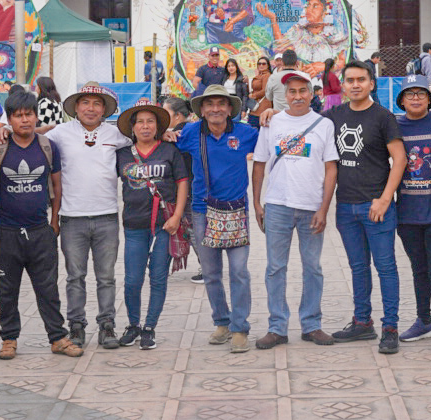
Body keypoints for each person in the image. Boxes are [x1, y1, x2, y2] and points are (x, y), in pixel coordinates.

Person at [30, 82, 129, 351]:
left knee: (106, 276)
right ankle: (76, 325)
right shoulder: (61, 133)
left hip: (107, 216)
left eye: (97, 104)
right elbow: (34, 137)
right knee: (75, 276)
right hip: (72, 217)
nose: (91, 108)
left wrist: (166, 134)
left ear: (105, 109)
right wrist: (3, 132)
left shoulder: (115, 133)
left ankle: (107, 325)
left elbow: (145, 137)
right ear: (75, 107)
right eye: (85, 103)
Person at [0, 89, 78, 358]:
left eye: (29, 115)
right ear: (10, 119)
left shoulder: (48, 147)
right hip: (7, 232)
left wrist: (54, 221)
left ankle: (58, 337)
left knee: (48, 288)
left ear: (36, 117)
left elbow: (57, 185)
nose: (24, 120)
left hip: (41, 231)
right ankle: (9, 339)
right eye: (18, 116)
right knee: (5, 288)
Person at [251, 69, 339, 349]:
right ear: (285, 95)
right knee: (275, 268)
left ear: (312, 94)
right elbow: (260, 163)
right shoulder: (271, 123)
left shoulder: (324, 124)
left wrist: (324, 208)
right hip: (277, 205)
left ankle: (312, 324)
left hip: (311, 206)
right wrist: (256, 202)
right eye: (292, 91)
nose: (297, 96)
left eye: (303, 91)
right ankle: (277, 327)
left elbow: (330, 168)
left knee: (312, 267)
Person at [326, 60, 408, 353]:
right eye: (350, 80)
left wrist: (385, 199)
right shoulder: (334, 115)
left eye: (361, 79)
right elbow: (302, 123)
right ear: (343, 85)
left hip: (376, 206)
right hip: (346, 206)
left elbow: (400, 159)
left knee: (386, 267)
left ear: (372, 83)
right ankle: (362, 323)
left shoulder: (383, 117)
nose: (356, 85)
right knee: (358, 267)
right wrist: (271, 111)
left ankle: (390, 327)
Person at [175, 84, 259, 353]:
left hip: (236, 210)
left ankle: (240, 327)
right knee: (211, 273)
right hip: (203, 211)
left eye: (221, 104)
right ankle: (221, 323)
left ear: (230, 108)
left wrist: (271, 115)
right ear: (201, 109)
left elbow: (273, 141)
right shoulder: (190, 133)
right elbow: (168, 139)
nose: (215, 109)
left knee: (239, 271)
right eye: (209, 104)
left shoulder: (245, 133)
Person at [114, 102, 190, 349]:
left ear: (158, 126)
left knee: (158, 278)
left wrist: (176, 216)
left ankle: (149, 327)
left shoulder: (169, 151)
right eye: (140, 122)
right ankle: (133, 325)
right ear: (132, 127)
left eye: (151, 121)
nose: (145, 126)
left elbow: (182, 183)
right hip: (134, 225)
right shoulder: (122, 154)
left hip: (164, 226)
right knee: (132, 280)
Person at [392, 75, 431, 356]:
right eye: (409, 93)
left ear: (429, 98)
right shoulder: (393, 125)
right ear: (401, 100)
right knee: (419, 271)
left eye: (420, 93)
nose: (415, 98)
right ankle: (423, 321)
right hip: (407, 213)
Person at [255, 49, 301, 122]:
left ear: (283, 62)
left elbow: (269, 97)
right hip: (298, 116)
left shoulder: (273, 77)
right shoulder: (304, 77)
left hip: (279, 116)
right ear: (296, 62)